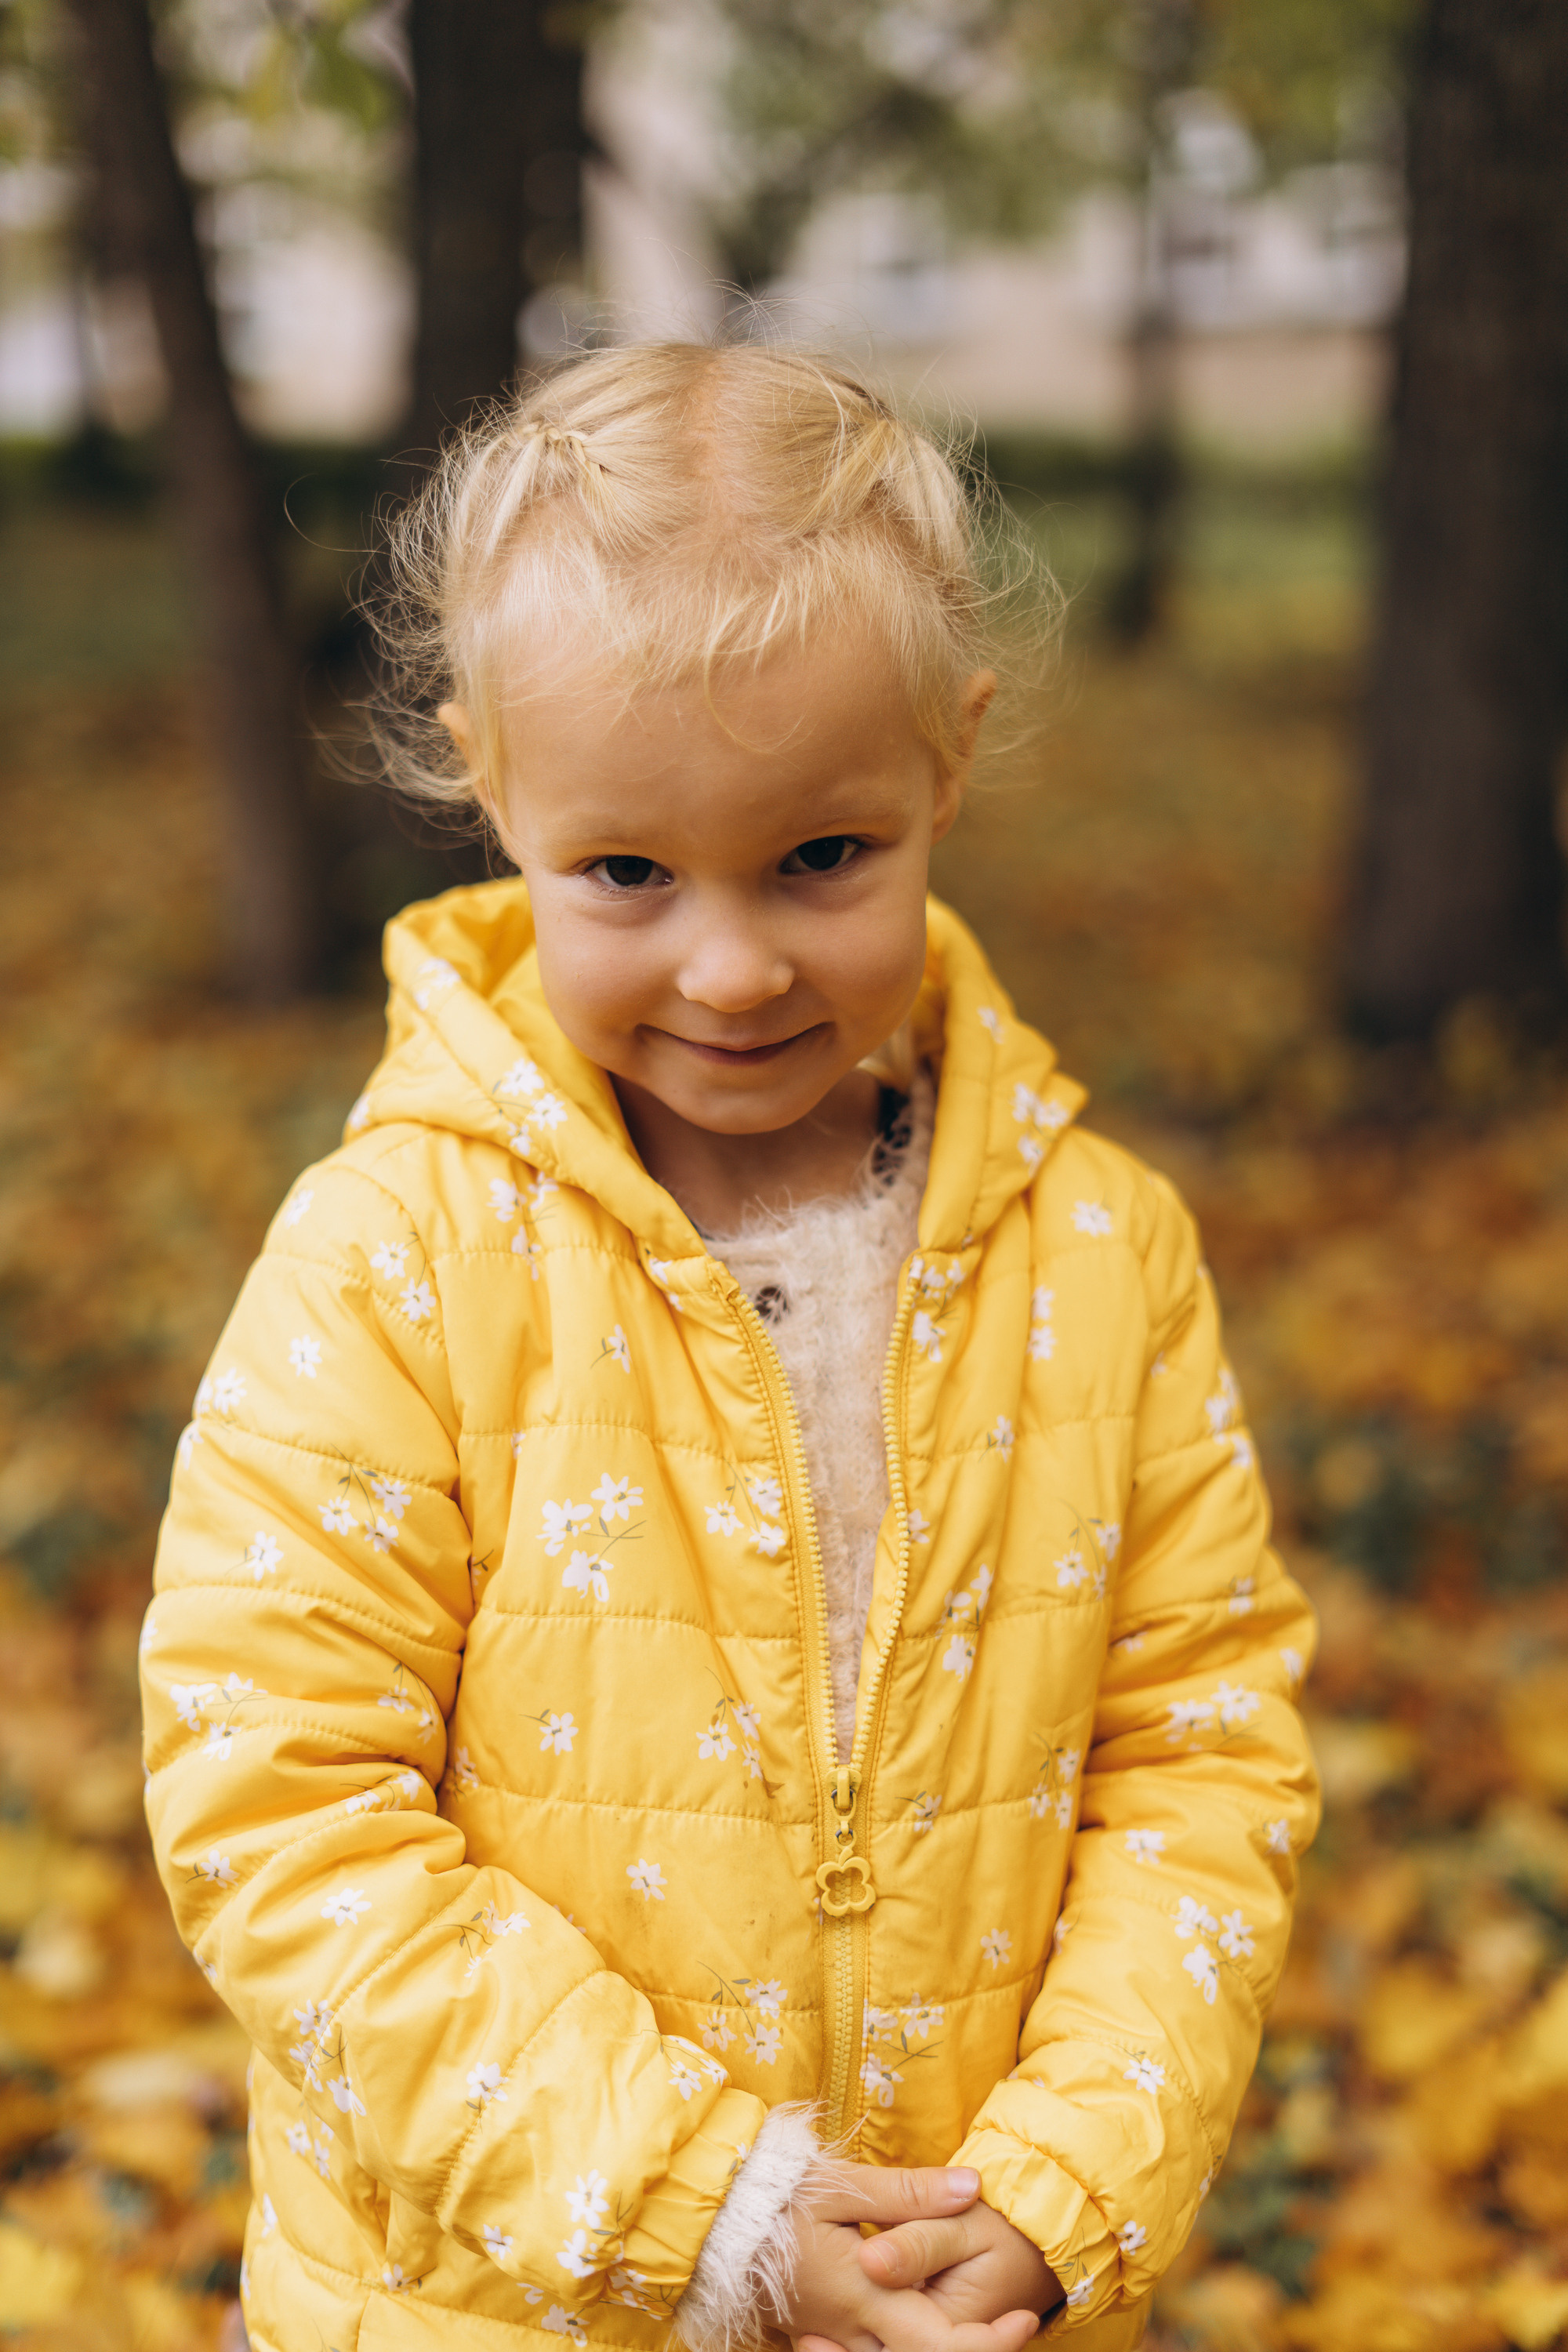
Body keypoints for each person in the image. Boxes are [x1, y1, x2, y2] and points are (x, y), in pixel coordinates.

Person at [141, 342, 1319, 2352]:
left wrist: (1065, 2174)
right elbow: (282, 1801)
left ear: (946, 760)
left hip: (957, 2296)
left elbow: (1196, 1746)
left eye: (819, 857)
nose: (734, 960)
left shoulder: (1102, 1252)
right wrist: (716, 2215)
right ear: (490, 785)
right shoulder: (395, 1257)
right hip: (484, 2307)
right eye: (625, 871)